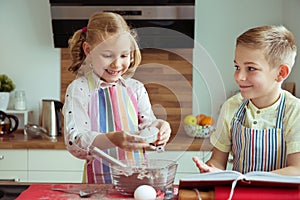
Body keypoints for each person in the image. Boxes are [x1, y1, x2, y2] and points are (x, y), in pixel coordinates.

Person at [62, 12, 171, 184]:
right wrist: (112, 139)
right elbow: (75, 141)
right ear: (88, 50)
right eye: (107, 55)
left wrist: (159, 129)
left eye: (124, 55)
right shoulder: (79, 89)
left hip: (138, 182)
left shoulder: (135, 89)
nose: (117, 64)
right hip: (98, 184)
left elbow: (147, 126)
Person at [193, 25, 300, 176]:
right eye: (237, 66)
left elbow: (297, 169)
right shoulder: (232, 107)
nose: (239, 77)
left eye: (250, 68)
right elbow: (217, 160)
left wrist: (249, 181)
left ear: (280, 73)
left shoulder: (295, 111)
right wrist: (212, 170)